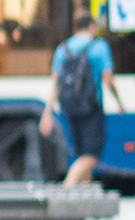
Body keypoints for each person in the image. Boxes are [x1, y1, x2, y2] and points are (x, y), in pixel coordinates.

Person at [41, 12, 121, 185]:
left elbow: (56, 85)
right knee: (91, 157)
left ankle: (84, 201)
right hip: (92, 109)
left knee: (81, 156)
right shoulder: (99, 47)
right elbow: (109, 80)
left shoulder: (62, 49)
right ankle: (66, 190)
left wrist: (46, 114)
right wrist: (119, 103)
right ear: (92, 26)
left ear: (76, 28)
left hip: (69, 108)